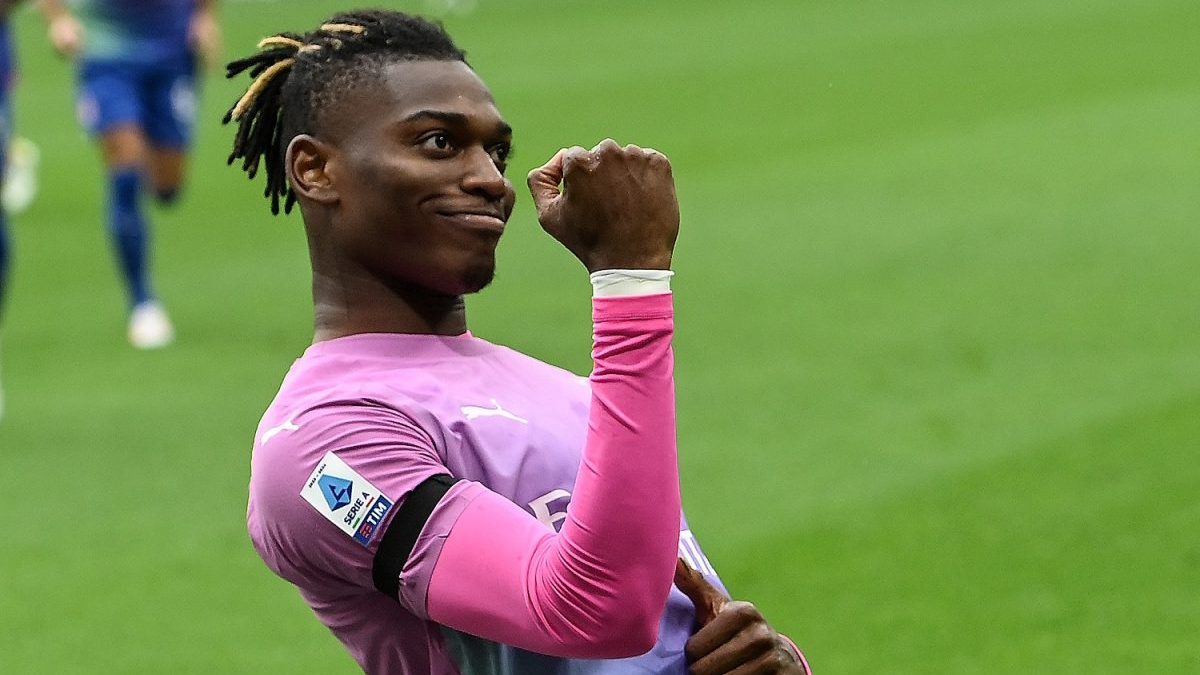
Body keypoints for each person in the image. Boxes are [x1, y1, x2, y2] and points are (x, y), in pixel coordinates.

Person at [225, 10, 812, 675]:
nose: (491, 179)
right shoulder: (325, 442)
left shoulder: (563, 391)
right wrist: (631, 281)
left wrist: (775, 662)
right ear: (315, 169)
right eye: (440, 142)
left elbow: (664, 625)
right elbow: (596, 610)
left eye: (496, 152)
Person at [37, 0, 220, 349]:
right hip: (105, 51)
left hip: (171, 51)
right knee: (126, 169)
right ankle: (142, 301)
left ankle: (147, 135)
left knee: (168, 187)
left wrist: (205, 18)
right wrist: (58, 19)